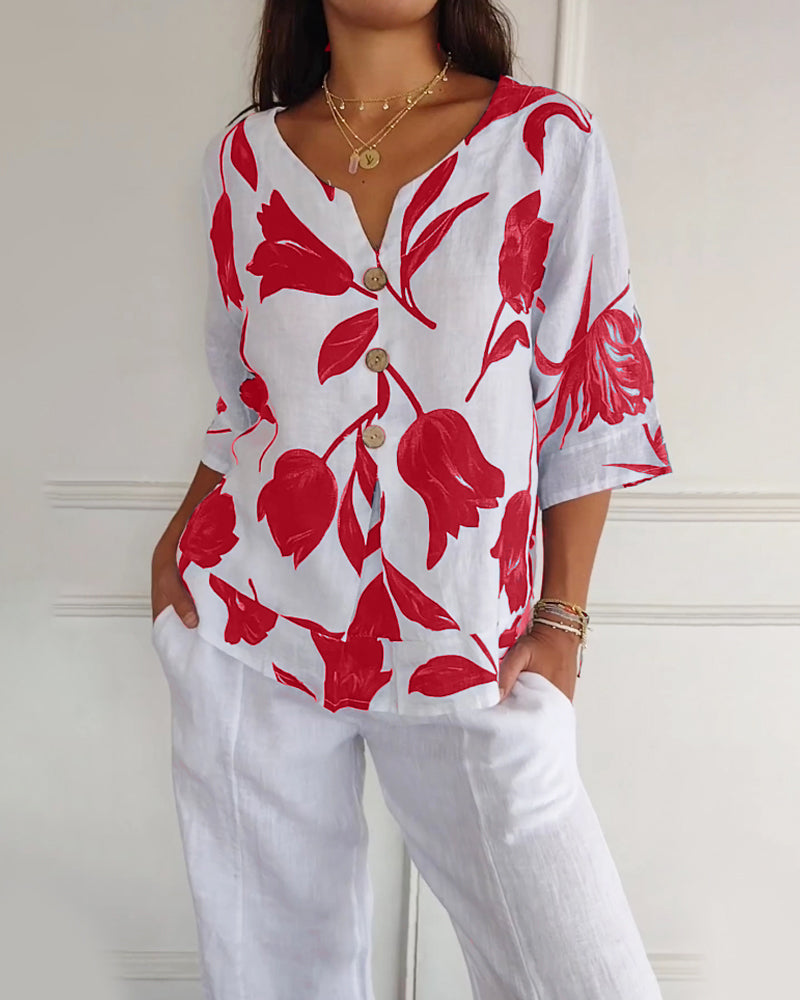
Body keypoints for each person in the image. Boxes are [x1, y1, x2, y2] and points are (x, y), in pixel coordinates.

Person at [150, 1, 674, 997]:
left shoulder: (544, 143)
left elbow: (590, 395)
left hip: (470, 643)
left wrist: (562, 618)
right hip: (254, 630)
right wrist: (183, 530)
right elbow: (244, 392)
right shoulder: (245, 159)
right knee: (273, 979)